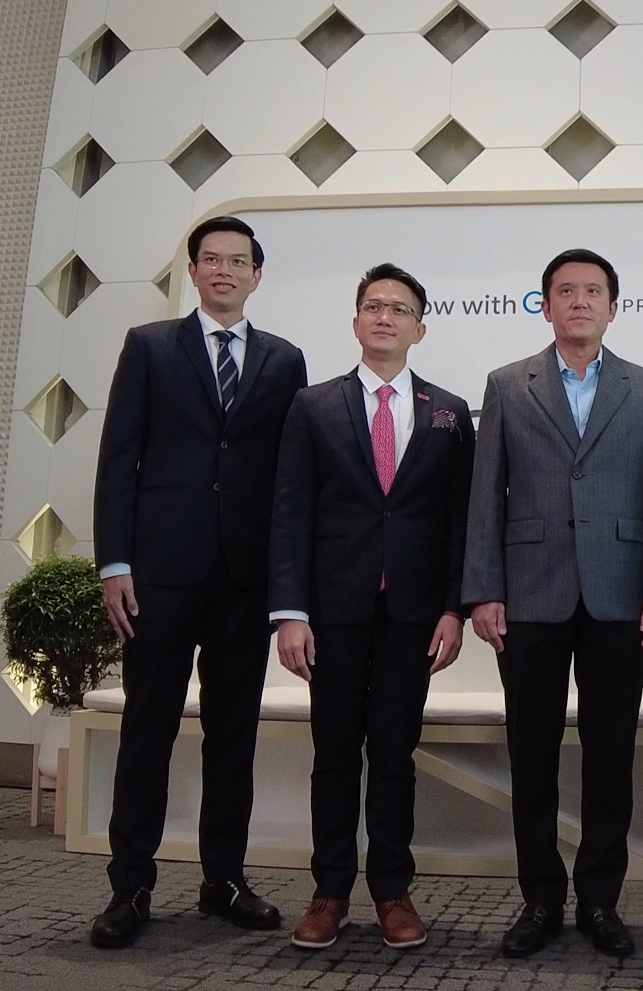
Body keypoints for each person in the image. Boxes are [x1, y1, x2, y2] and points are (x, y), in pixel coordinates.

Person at [89, 216, 310, 948]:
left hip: (243, 579)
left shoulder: (284, 360)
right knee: (147, 730)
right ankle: (130, 887)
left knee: (233, 735)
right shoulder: (150, 346)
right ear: (192, 271)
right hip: (159, 575)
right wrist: (115, 563)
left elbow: (289, 479)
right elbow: (118, 457)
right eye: (210, 259)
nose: (224, 270)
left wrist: (287, 584)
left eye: (237, 261)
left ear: (256, 275)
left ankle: (225, 880)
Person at [462, 248, 643, 960]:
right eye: (565, 291)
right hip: (529, 592)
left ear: (613, 307)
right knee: (531, 753)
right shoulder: (508, 384)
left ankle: (599, 899)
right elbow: (486, 493)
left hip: (620, 593)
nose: (579, 301)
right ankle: (539, 899)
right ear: (546, 305)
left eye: (592, 291)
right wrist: (484, 590)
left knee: (610, 756)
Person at [267, 264, 476, 952]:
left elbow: (458, 519)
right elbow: (290, 510)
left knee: (393, 753)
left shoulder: (449, 412)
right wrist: (290, 612)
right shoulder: (313, 406)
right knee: (333, 753)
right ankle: (329, 892)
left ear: (421, 328)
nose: (385, 317)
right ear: (356, 321)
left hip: (412, 613)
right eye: (374, 306)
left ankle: (391, 890)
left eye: (400, 309)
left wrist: (453, 609)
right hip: (333, 611)